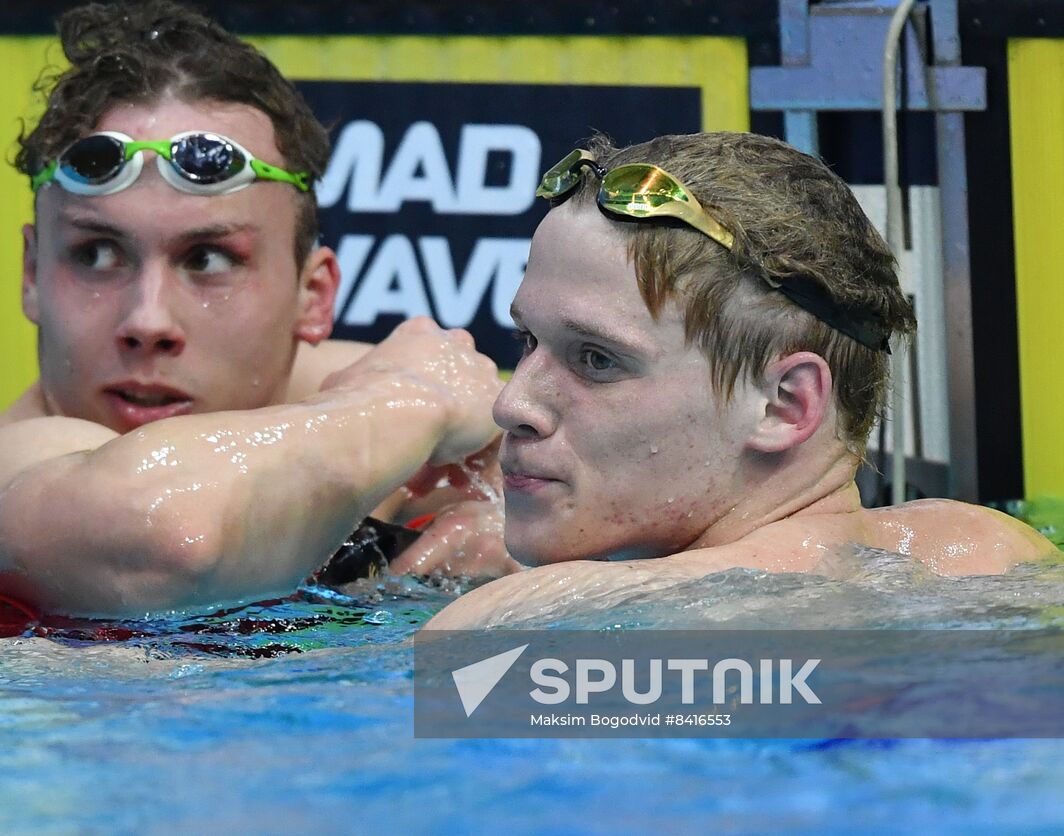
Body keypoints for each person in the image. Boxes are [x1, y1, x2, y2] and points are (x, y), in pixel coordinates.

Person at [0, 0, 516, 645]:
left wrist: (515, 527)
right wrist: (411, 402)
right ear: (32, 274)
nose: (147, 321)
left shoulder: (349, 402)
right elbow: (167, 531)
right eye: (97, 255)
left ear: (314, 295)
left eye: (209, 260)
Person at [424, 131, 1057, 628]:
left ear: (784, 405)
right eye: (527, 341)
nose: (513, 403)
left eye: (597, 360)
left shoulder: (532, 625)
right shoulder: (995, 549)